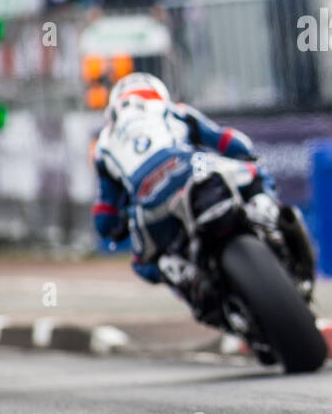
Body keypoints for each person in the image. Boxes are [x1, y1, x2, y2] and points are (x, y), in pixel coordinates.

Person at [91, 73, 304, 309]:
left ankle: (182, 274)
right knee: (255, 174)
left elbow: (104, 218)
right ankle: (266, 213)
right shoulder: (171, 109)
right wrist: (247, 158)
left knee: (142, 263)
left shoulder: (103, 143)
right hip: (193, 167)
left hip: (148, 199)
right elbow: (228, 140)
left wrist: (117, 227)